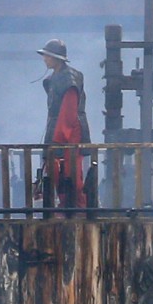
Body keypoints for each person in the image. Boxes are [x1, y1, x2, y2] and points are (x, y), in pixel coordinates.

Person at [37, 39, 89, 210]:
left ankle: (78, 207)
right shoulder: (55, 78)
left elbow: (69, 112)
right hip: (56, 127)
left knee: (71, 171)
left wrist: (60, 138)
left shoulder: (69, 78)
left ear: (56, 58)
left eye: (47, 56)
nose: (45, 59)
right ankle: (66, 204)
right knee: (56, 169)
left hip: (70, 131)